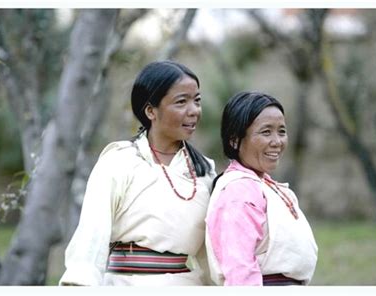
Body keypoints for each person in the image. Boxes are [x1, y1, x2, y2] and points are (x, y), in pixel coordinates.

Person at [59, 61, 216, 286]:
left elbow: (212, 253)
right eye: (182, 102)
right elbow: (91, 237)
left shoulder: (205, 171)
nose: (194, 111)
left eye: (197, 101)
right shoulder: (119, 161)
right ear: (151, 110)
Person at [205, 91, 318, 286]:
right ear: (234, 140)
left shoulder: (263, 186)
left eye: (281, 131)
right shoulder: (239, 190)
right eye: (266, 132)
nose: (277, 141)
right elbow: (240, 270)